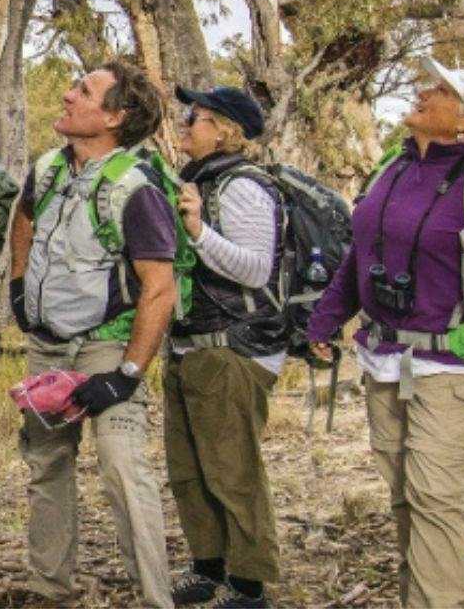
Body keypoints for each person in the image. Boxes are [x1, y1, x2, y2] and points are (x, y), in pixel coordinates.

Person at [307, 59, 464, 609]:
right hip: (384, 356)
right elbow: (363, 252)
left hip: (456, 363)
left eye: (443, 90)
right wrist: (329, 317)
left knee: (434, 496)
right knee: (405, 495)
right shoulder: (393, 167)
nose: (424, 92)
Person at [7, 60, 178, 609]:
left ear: (115, 117)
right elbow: (24, 218)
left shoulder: (135, 188)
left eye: (83, 91)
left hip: (109, 344)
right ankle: (48, 588)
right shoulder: (49, 168)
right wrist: (18, 283)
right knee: (47, 464)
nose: (66, 95)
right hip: (48, 345)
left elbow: (158, 289)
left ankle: (157, 599)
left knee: (123, 465)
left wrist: (126, 376)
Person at [163, 85, 284, 608]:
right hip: (191, 345)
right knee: (188, 470)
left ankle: (250, 583)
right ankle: (209, 568)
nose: (184, 124)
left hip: (234, 348)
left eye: (195, 116)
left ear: (227, 129)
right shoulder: (195, 180)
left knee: (233, 470)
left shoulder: (242, 187)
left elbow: (257, 268)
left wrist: (196, 231)